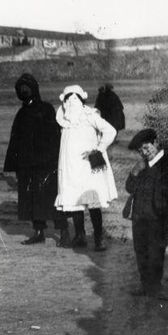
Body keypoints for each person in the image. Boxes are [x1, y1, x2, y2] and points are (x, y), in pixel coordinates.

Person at [3, 73, 70, 246]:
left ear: (34, 89)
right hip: (27, 165)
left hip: (46, 164)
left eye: (27, 88)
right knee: (31, 199)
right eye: (21, 89)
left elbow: (54, 137)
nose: (24, 91)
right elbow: (15, 139)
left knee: (52, 198)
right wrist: (16, 164)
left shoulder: (46, 109)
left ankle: (64, 232)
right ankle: (39, 231)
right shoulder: (21, 113)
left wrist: (51, 159)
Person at [54, 85, 118, 251]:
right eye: (69, 98)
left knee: (93, 201)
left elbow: (110, 131)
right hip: (69, 167)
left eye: (76, 98)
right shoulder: (63, 119)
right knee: (75, 201)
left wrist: (98, 149)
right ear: (65, 101)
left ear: (82, 100)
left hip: (89, 167)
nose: (72, 101)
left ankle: (98, 237)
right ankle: (80, 235)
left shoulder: (90, 115)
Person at [124, 129, 168, 297]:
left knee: (156, 251)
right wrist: (134, 172)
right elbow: (129, 188)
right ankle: (145, 286)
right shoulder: (141, 165)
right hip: (139, 216)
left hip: (157, 216)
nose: (144, 152)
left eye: (146, 147)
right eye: (141, 150)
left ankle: (155, 288)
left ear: (156, 142)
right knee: (140, 250)